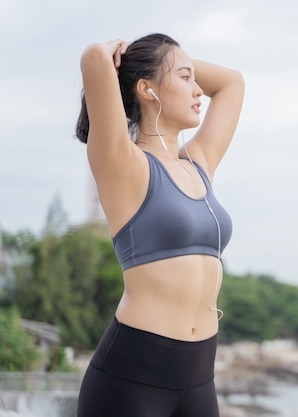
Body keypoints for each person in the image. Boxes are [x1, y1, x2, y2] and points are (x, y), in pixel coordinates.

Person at [74, 33, 244, 417]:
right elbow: (93, 60)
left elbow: (232, 82)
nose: (199, 90)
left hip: (199, 378)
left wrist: (174, 63)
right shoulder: (124, 163)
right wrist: (126, 56)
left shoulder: (198, 163)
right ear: (147, 89)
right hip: (132, 381)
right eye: (186, 78)